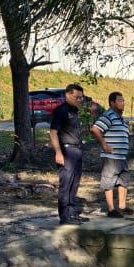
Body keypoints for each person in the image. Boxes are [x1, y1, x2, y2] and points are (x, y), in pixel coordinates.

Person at [49, 83, 87, 224]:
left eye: (81, 98)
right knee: (66, 184)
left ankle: (72, 213)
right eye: (77, 97)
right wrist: (58, 152)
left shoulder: (75, 111)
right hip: (66, 151)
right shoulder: (61, 111)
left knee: (74, 183)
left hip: (76, 150)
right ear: (67, 95)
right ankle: (64, 217)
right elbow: (53, 133)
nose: (79, 100)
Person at [91, 91, 132, 217]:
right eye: (120, 100)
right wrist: (104, 145)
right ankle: (111, 210)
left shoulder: (122, 120)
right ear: (112, 103)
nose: (123, 103)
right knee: (109, 181)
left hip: (122, 157)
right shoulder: (108, 116)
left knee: (123, 181)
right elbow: (95, 129)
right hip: (111, 157)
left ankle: (122, 206)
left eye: (123, 100)